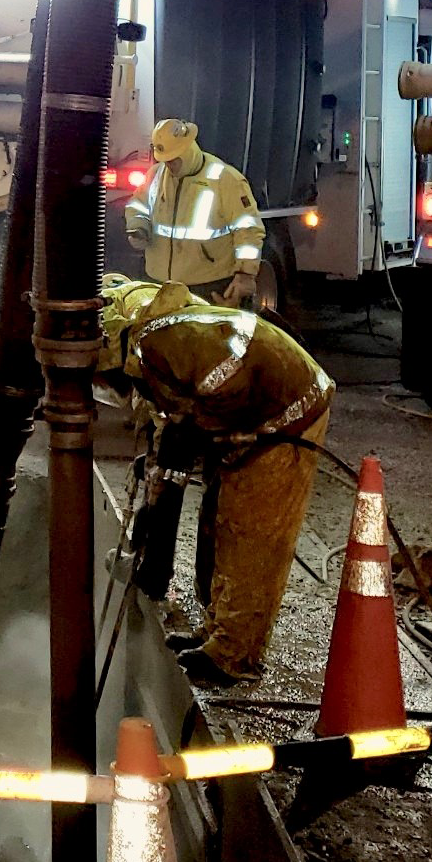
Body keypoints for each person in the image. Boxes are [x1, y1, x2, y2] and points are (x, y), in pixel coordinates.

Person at [100, 274, 333, 683]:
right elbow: (169, 427)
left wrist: (198, 433)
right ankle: (216, 634)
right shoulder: (151, 349)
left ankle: (234, 657)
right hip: (250, 410)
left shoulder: (165, 348)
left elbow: (224, 386)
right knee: (218, 522)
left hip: (287, 410)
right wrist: (158, 475)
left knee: (251, 536)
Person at [124, 117, 266, 304]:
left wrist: (245, 275)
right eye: (165, 160)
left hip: (207, 286)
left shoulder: (225, 179)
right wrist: (138, 226)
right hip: (159, 284)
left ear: (188, 149)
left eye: (174, 159)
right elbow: (137, 205)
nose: (169, 165)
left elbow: (248, 230)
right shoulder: (156, 175)